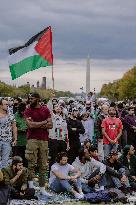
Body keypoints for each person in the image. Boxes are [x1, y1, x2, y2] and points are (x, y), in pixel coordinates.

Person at [24, 92, 53, 196]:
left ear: (37, 99)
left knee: (43, 165)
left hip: (44, 140)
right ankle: (31, 188)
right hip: (32, 139)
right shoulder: (28, 110)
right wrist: (43, 122)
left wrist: (37, 124)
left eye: (32, 98)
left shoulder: (45, 109)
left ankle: (42, 188)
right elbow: (30, 125)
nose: (30, 100)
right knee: (31, 164)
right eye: (29, 98)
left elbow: (50, 125)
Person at [49, 104, 69, 169]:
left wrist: (67, 143)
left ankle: (62, 173)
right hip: (54, 140)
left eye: (60, 107)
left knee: (62, 158)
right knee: (54, 158)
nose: (58, 108)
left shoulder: (63, 119)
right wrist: (51, 98)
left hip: (62, 140)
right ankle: (52, 175)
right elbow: (49, 107)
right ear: (53, 109)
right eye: (56, 107)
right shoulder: (52, 116)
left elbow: (65, 132)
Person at [0, 98, 17, 169]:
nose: (7, 105)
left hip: (7, 140)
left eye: (8, 104)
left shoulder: (10, 114)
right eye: (5, 104)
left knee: (5, 161)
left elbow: (14, 127)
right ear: (0, 105)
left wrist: (15, 139)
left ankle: (3, 178)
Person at [14, 102, 28, 167]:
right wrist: (20, 129)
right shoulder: (15, 115)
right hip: (18, 140)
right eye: (22, 111)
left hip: (26, 140)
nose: (23, 113)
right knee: (17, 158)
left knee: (25, 158)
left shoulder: (27, 115)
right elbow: (13, 127)